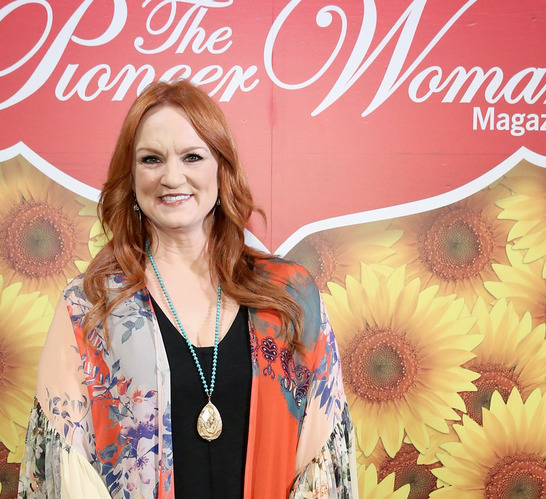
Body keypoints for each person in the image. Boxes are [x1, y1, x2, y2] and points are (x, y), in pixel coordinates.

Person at [18, 80, 357, 498]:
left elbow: (322, 465)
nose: (171, 176)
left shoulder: (290, 298)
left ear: (221, 167)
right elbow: (63, 471)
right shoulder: (89, 308)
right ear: (132, 176)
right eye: (151, 159)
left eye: (192, 156)